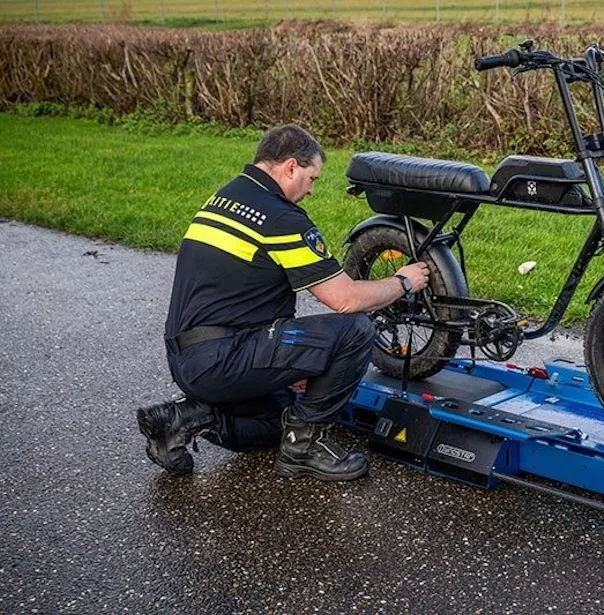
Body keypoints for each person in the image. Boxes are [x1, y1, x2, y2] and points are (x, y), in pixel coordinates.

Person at [136, 124, 429, 481]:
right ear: (290, 166)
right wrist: (403, 281)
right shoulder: (280, 218)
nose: (311, 189)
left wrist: (288, 368)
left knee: (281, 416)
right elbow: (346, 299)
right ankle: (302, 448)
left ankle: (183, 420)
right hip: (224, 357)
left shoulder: (227, 196)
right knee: (356, 329)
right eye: (311, 178)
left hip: (188, 360)